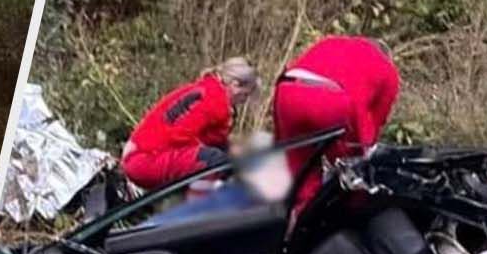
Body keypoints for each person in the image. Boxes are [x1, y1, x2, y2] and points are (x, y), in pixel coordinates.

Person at [272, 36, 400, 213]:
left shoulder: (332, 42)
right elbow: (376, 120)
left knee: (298, 171)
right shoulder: (387, 69)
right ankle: (349, 213)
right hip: (330, 99)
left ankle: (293, 220)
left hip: (287, 90)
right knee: (351, 167)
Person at [120, 58, 259, 193]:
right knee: (214, 160)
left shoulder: (205, 90)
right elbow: (178, 135)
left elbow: (214, 139)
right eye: (245, 95)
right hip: (145, 161)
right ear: (235, 85)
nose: (243, 101)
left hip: (140, 157)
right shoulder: (214, 100)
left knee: (222, 154)